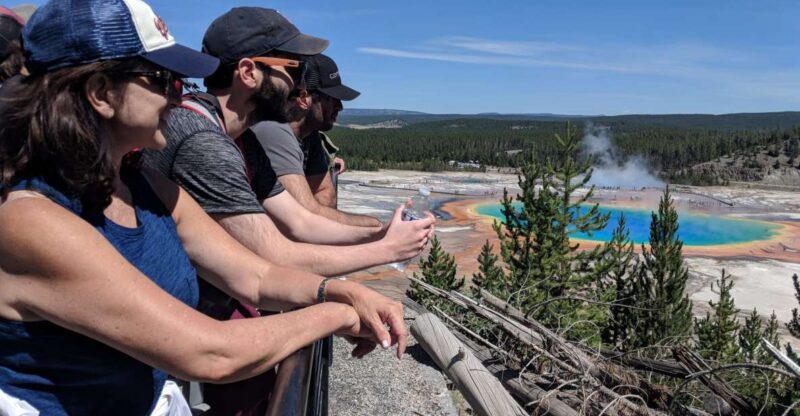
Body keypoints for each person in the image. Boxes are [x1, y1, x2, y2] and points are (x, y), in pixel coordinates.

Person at [0, 0, 404, 414]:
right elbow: (209, 354)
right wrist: (336, 315)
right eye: (163, 81)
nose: (179, 97)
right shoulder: (32, 219)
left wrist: (340, 290)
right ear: (101, 93)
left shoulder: (143, 184)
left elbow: (256, 276)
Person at [142, 7, 434, 280]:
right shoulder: (203, 141)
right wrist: (388, 250)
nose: (300, 88)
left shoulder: (243, 140)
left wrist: (382, 233)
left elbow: (300, 223)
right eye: (295, 69)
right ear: (248, 73)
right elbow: (274, 255)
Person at [249, 53, 357, 211]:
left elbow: (325, 193)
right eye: (332, 99)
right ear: (303, 98)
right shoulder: (271, 130)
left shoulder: (310, 136)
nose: (339, 107)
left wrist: (317, 213)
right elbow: (299, 213)